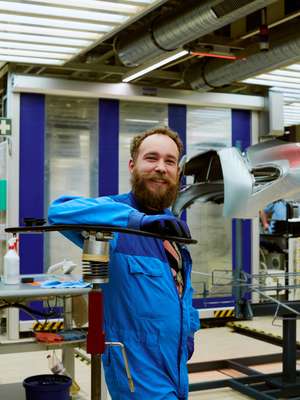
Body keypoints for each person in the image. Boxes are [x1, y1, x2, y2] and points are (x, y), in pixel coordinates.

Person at [48, 127, 200, 400]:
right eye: (151, 158)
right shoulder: (113, 218)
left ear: (178, 172)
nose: (161, 168)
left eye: (170, 161)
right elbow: (58, 211)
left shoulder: (172, 227)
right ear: (133, 165)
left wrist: (189, 332)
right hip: (136, 369)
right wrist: (135, 221)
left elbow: (182, 291)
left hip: (176, 365)